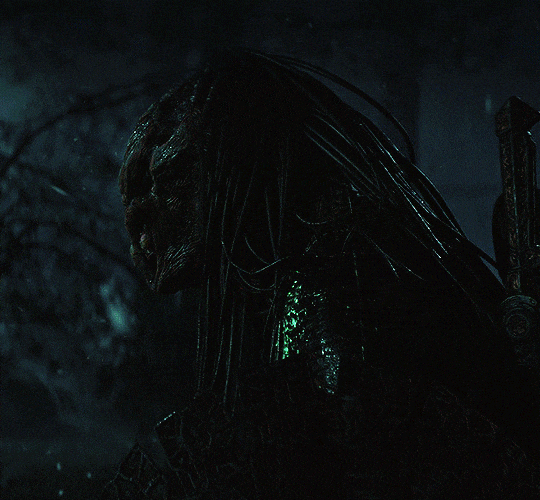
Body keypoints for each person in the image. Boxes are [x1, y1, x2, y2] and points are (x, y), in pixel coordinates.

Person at [103, 51, 540, 499]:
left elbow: (346, 445)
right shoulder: (340, 254)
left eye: (169, 184)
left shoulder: (333, 276)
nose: (144, 231)